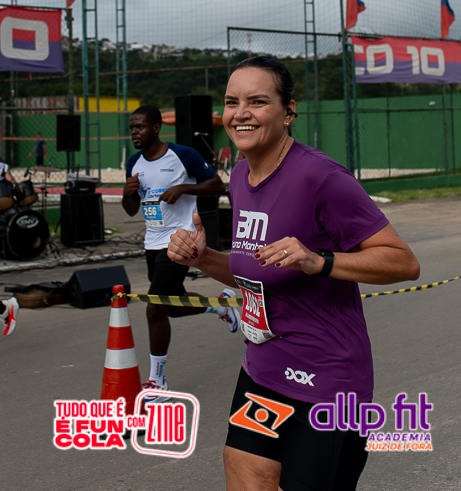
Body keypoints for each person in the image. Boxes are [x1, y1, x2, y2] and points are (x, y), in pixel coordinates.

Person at [168, 57, 420, 491]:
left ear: (288, 112)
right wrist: (202, 258)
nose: (240, 113)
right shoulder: (241, 175)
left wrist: (318, 260)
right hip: (263, 370)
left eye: (257, 101)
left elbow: (403, 261)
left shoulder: (320, 177)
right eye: (232, 102)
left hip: (326, 379)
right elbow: (257, 271)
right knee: (244, 471)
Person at [122, 105, 240, 401]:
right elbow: (132, 209)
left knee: (155, 307)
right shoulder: (134, 163)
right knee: (172, 307)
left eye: (140, 127)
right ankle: (221, 306)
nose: (134, 132)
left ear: (156, 128)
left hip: (181, 239)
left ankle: (157, 381)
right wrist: (126, 193)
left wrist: (184, 188)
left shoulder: (183, 155)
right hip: (153, 241)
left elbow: (217, 185)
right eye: (132, 127)